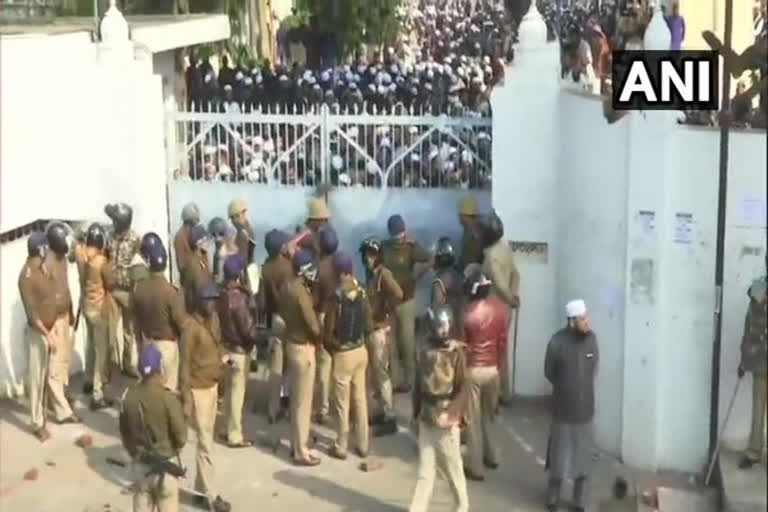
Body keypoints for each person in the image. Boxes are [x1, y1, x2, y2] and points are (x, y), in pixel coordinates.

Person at [409, 304, 469, 512]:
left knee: (454, 470)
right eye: (440, 326)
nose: (444, 330)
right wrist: (415, 414)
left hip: (446, 418)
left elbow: (463, 388)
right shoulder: (424, 350)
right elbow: (417, 386)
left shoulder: (456, 353)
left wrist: (454, 415)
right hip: (427, 416)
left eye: (446, 326)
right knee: (425, 471)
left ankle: (462, 507)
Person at [544, 299, 599, 512]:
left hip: (585, 411)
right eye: (583, 319)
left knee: (583, 462)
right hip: (562, 411)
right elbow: (549, 372)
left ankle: (579, 502)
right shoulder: (556, 342)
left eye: (587, 317)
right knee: (559, 459)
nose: (587, 322)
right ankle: (552, 498)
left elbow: (593, 367)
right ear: (571, 321)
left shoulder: (592, 340)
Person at [180, 283, 231, 512]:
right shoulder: (190, 328)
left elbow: (218, 344)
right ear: (200, 301)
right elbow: (184, 366)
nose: (212, 303)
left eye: (214, 299)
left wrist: (225, 358)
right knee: (204, 444)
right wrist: (186, 398)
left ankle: (201, 489)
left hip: (212, 386)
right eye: (209, 299)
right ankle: (211, 496)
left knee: (206, 440)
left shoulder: (214, 320)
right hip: (197, 390)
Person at [119, 344, 187, 512]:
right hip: (167, 469)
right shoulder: (168, 398)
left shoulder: (128, 397)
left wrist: (134, 453)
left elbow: (125, 434)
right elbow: (181, 437)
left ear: (140, 370)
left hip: (142, 468)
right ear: (159, 368)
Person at [323, 251, 372, 459]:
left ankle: (341, 445)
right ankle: (363, 444)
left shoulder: (337, 297)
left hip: (343, 353)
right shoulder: (362, 291)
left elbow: (329, 328)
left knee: (342, 404)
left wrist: (332, 346)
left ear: (340, 272)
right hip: (361, 351)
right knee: (360, 399)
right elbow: (369, 324)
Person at [461, 268, 509, 481]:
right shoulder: (500, 310)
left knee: (472, 420)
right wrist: (498, 366)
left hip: (473, 370)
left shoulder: (467, 313)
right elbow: (502, 343)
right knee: (491, 414)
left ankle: (475, 467)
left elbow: (463, 346)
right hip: (493, 369)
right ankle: (494, 456)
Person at [279, 249, 322, 466]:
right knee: (304, 403)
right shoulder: (301, 292)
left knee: (296, 400)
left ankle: (297, 445)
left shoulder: (287, 286)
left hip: (291, 343)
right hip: (304, 348)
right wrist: (319, 335)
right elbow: (312, 323)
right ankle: (301, 450)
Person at [381, 214, 432, 393]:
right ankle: (397, 380)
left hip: (405, 300)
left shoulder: (410, 247)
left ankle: (408, 380)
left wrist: (417, 276)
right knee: (394, 342)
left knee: (405, 342)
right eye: (397, 233)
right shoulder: (387, 247)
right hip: (390, 301)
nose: (399, 236)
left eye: (400, 233)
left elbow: (430, 258)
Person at [18, 232, 61, 441]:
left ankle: (43, 415)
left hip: (48, 330)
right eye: (46, 249)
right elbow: (32, 314)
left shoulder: (40, 269)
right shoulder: (26, 276)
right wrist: (48, 334)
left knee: (45, 377)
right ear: (41, 250)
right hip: (38, 333)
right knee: (36, 378)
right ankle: (37, 423)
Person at [132, 233, 187, 392]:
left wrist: (140, 344)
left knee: (148, 389)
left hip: (148, 342)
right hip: (167, 345)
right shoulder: (170, 292)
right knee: (168, 390)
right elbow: (180, 322)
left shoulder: (139, 288)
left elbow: (135, 320)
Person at [360, 237, 403, 434]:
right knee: (375, 375)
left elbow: (398, 294)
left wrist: (386, 312)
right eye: (366, 255)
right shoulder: (372, 275)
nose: (367, 259)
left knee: (382, 375)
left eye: (371, 255)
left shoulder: (383, 274)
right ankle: (381, 411)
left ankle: (390, 416)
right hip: (371, 330)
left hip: (379, 331)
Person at [218, 254, 261, 448]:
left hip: (225, 347)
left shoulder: (220, 293)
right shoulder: (239, 298)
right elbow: (247, 329)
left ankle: (226, 429)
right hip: (239, 351)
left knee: (228, 392)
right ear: (239, 274)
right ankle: (235, 435)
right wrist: (256, 338)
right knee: (237, 394)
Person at [74, 223, 117, 410]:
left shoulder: (80, 254)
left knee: (89, 346)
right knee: (101, 352)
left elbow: (75, 245)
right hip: (99, 309)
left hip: (85, 305)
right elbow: (112, 283)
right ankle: (97, 394)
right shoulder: (100, 262)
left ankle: (88, 380)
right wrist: (110, 259)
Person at [479, 211, 519, 405]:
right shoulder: (504, 248)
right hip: (506, 310)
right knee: (502, 351)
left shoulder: (492, 256)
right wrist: (514, 298)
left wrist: (509, 298)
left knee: (493, 354)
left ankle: (494, 397)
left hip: (495, 309)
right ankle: (505, 392)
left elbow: (500, 284)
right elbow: (516, 275)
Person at [43, 222, 79, 422]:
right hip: (53, 320)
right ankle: (62, 411)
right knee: (55, 364)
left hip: (65, 316)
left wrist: (71, 312)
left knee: (64, 359)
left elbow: (65, 288)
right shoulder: (46, 264)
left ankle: (59, 397)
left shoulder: (62, 259)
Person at [260, 229, 294, 422]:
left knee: (276, 367)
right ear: (281, 247)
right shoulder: (289, 267)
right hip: (289, 319)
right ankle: (289, 404)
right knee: (291, 365)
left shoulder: (266, 268)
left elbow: (263, 302)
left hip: (275, 319)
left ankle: (273, 409)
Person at [737, 259, 767, 470]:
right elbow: (751, 329)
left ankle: (754, 452)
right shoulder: (758, 288)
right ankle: (754, 451)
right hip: (761, 360)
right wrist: (745, 360)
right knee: (758, 405)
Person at [105, 202, 141, 378]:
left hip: (128, 290)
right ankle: (110, 366)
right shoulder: (109, 236)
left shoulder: (135, 239)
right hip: (112, 289)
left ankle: (127, 364)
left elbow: (140, 264)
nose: (113, 224)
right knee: (110, 331)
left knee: (129, 331)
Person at [313, 225, 339, 424]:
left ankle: (323, 408)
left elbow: (314, 299)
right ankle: (339, 405)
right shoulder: (343, 263)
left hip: (324, 315)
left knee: (324, 363)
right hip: (341, 314)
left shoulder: (319, 269)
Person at [431, 236, 464, 338]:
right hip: (461, 321)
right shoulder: (459, 275)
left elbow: (438, 306)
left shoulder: (439, 280)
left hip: (447, 326)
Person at [184, 224, 214, 315]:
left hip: (202, 308)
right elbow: (200, 291)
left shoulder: (201, 257)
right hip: (199, 313)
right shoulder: (194, 264)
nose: (208, 243)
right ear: (198, 243)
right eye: (205, 240)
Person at [174, 202, 200, 287]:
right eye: (196, 219)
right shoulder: (180, 237)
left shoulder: (193, 233)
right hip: (188, 282)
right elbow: (181, 265)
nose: (197, 221)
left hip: (196, 279)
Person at [457, 196, 483, 272]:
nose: (458, 217)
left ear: (465, 215)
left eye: (460, 214)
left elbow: (470, 258)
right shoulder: (469, 228)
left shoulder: (474, 232)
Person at [208, 217, 237, 284]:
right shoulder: (216, 252)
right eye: (213, 235)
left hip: (228, 285)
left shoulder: (229, 251)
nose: (216, 239)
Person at [227, 198, 256, 262]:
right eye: (232, 218)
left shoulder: (242, 234)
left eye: (236, 216)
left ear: (243, 214)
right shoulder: (247, 228)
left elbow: (240, 261)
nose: (233, 221)